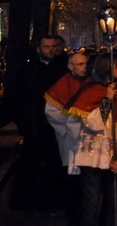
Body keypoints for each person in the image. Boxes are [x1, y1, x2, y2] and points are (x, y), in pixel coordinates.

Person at [68, 53, 117, 226]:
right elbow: (92, 123)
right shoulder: (90, 91)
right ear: (107, 67)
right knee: (91, 203)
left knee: (115, 203)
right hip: (92, 157)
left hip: (114, 158)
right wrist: (107, 99)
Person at [10, 35, 69, 216]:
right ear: (39, 49)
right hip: (34, 126)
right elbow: (19, 96)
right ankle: (32, 204)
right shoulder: (29, 70)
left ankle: (55, 203)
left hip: (56, 127)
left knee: (54, 165)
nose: (50, 50)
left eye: (53, 46)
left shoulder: (62, 70)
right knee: (32, 165)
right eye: (46, 46)